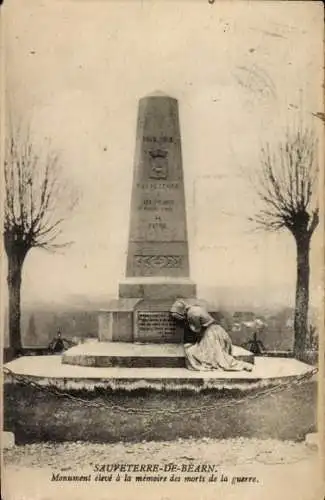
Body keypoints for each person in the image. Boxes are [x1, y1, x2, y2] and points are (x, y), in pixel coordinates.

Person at [170, 300, 253, 372]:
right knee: (216, 355)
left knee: (193, 352)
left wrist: (186, 324)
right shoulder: (196, 308)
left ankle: (241, 365)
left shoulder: (191, 314)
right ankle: (242, 365)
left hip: (211, 334)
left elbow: (197, 329)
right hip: (217, 330)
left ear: (181, 311)